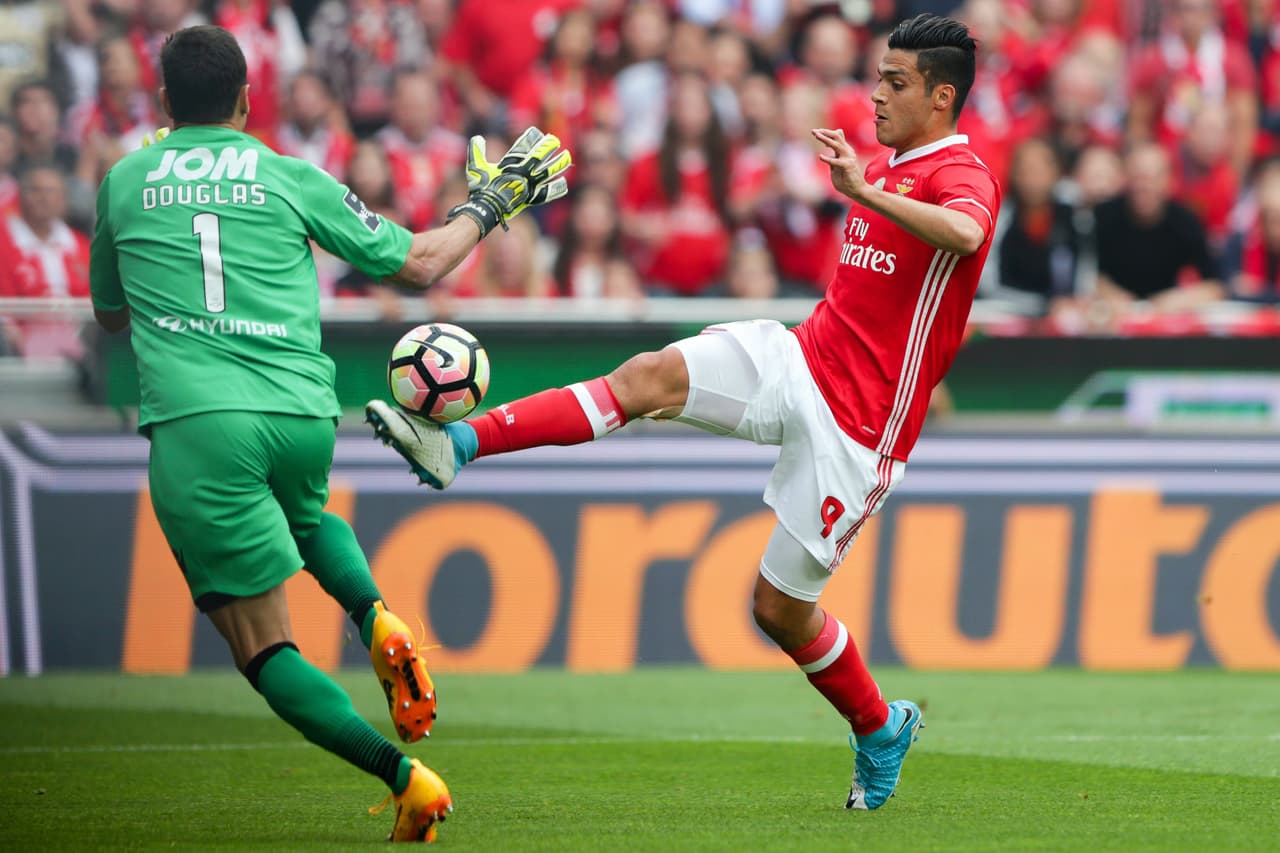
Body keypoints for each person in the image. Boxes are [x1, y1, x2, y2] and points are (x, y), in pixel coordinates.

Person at [367, 13, 999, 811]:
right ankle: (458, 442)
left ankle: (879, 727)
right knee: (648, 377)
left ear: (941, 98)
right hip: (801, 358)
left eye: (895, 83)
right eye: (878, 76)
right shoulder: (883, 164)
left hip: (860, 429)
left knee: (779, 610)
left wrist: (865, 191)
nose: (876, 94)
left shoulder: (961, 172)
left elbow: (967, 233)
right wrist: (869, 183)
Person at [88, 25, 570, 842]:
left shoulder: (123, 181)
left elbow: (108, 315)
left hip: (200, 425)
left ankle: (404, 778)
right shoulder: (290, 175)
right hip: (301, 411)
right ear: (248, 101)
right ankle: (374, 613)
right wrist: (491, 204)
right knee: (306, 518)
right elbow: (421, 264)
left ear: (164, 100)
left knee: (261, 647)